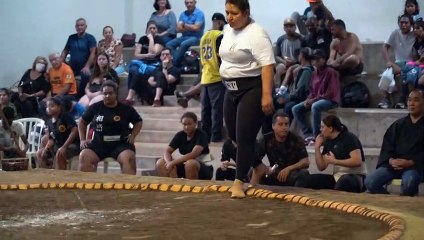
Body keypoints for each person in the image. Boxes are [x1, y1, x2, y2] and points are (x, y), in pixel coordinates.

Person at [220, 0, 275, 198]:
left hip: (253, 88)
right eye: (227, 12)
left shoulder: (257, 33)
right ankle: (258, 166)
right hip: (230, 88)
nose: (229, 17)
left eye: (233, 13)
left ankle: (239, 180)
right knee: (233, 135)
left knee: (245, 136)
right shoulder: (227, 30)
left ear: (246, 12)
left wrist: (266, 95)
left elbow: (268, 65)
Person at [365, 90, 424, 197]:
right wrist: (391, 160)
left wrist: (410, 162)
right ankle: (390, 201)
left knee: (410, 182)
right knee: (370, 181)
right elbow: (388, 146)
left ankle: (406, 205)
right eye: (409, 100)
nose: (411, 103)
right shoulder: (398, 125)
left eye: (416, 100)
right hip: (394, 165)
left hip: (416, 166)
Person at [78, 81, 143, 175]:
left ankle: (129, 187)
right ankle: (87, 186)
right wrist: (82, 139)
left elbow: (138, 121)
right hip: (99, 144)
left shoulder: (126, 109)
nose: (107, 96)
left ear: (116, 93)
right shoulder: (95, 107)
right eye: (105, 94)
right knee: (84, 156)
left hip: (121, 145)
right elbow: (82, 121)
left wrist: (133, 136)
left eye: (110, 93)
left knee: (129, 158)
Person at [306, 115, 367, 193]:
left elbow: (357, 161)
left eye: (322, 127)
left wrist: (335, 161)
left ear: (330, 129)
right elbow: (321, 167)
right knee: (309, 180)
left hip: (355, 176)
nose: (320, 130)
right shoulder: (329, 141)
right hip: (337, 176)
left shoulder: (349, 138)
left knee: (343, 182)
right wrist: (317, 148)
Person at [292, 49, 340, 145]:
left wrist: (313, 100)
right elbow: (312, 91)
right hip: (316, 99)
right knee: (295, 108)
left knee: (315, 106)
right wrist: (308, 99)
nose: (314, 62)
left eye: (317, 59)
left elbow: (330, 93)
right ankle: (307, 134)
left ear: (323, 60)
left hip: (329, 100)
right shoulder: (314, 73)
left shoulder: (331, 72)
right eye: (313, 60)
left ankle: (317, 135)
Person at [251, 111, 310, 187]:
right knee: (254, 170)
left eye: (286, 124)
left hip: (291, 174)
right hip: (274, 172)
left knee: (304, 174)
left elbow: (305, 162)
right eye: (280, 124)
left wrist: (289, 169)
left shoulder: (296, 139)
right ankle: (254, 191)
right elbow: (256, 159)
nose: (284, 127)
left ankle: (295, 196)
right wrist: (265, 168)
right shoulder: (266, 139)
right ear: (273, 126)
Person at [156, 112, 213, 180]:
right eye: (184, 124)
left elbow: (194, 154)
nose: (186, 127)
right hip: (185, 165)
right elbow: (167, 151)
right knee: (160, 162)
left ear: (195, 124)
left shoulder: (201, 135)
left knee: (190, 163)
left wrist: (173, 163)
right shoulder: (180, 135)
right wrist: (168, 162)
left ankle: (191, 188)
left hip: (203, 166)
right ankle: (172, 187)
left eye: (189, 124)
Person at [199, 12, 227, 142]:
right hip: (216, 77)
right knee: (217, 110)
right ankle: (215, 137)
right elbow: (221, 56)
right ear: (220, 22)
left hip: (205, 76)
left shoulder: (204, 36)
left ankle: (204, 137)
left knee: (205, 110)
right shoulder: (219, 36)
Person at [378, 14, 415, 109]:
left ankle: (403, 100)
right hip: (398, 63)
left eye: (406, 23)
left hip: (411, 64)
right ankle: (385, 99)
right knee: (386, 73)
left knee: (407, 74)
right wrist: (388, 61)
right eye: (401, 22)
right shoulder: (395, 33)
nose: (403, 25)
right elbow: (385, 47)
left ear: (411, 24)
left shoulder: (414, 34)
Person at [37, 97, 79, 170]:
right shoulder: (49, 122)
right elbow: (51, 139)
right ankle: (47, 176)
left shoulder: (66, 116)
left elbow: (75, 130)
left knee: (59, 153)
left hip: (72, 145)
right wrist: (46, 149)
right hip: (58, 145)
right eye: (47, 106)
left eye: (52, 106)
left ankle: (60, 177)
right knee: (40, 153)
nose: (49, 108)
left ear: (59, 107)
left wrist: (64, 146)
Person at [275, 47, 314, 121]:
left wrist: (287, 98)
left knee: (288, 106)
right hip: (293, 95)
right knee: (274, 99)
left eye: (299, 54)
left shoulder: (306, 71)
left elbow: (300, 91)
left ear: (302, 55)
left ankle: (287, 128)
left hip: (300, 98)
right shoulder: (300, 69)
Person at [61, 18, 97, 98]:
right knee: (61, 73)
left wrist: (87, 66)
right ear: (75, 27)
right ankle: (63, 97)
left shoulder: (90, 38)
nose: (79, 27)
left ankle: (79, 97)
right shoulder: (71, 38)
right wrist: (61, 63)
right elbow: (65, 51)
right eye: (77, 25)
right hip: (72, 67)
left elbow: (93, 53)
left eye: (81, 25)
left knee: (85, 75)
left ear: (86, 26)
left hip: (85, 67)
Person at [166, 0, 205, 67]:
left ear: (195, 3)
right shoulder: (183, 14)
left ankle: (174, 65)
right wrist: (191, 26)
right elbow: (178, 29)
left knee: (183, 44)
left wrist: (184, 24)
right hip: (184, 37)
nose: (189, 4)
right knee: (169, 44)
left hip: (196, 38)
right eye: (187, 3)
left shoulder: (199, 13)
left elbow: (196, 28)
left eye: (191, 2)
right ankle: (178, 61)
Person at [127, 20, 165, 88]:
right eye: (150, 28)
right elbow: (136, 55)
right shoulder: (142, 39)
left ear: (157, 30)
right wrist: (146, 55)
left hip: (154, 64)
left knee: (142, 72)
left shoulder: (160, 39)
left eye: (154, 28)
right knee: (133, 69)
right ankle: (130, 93)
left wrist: (151, 39)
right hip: (142, 62)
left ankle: (135, 94)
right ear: (147, 29)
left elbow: (153, 53)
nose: (152, 30)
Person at [39, 52, 78, 120]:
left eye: (55, 59)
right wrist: (49, 96)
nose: (53, 62)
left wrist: (54, 98)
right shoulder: (50, 70)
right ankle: (48, 122)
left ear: (60, 59)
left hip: (67, 95)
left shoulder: (67, 69)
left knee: (57, 103)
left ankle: (60, 122)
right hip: (54, 94)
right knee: (42, 103)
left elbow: (67, 88)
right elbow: (50, 85)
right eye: (51, 60)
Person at [274, 17, 304, 86]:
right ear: (284, 28)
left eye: (291, 26)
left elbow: (304, 54)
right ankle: (277, 88)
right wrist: (284, 61)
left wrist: (295, 61)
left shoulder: (301, 39)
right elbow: (277, 56)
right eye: (286, 26)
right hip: (284, 63)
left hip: (297, 63)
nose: (289, 28)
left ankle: (295, 89)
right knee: (279, 68)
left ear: (295, 27)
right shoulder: (280, 39)